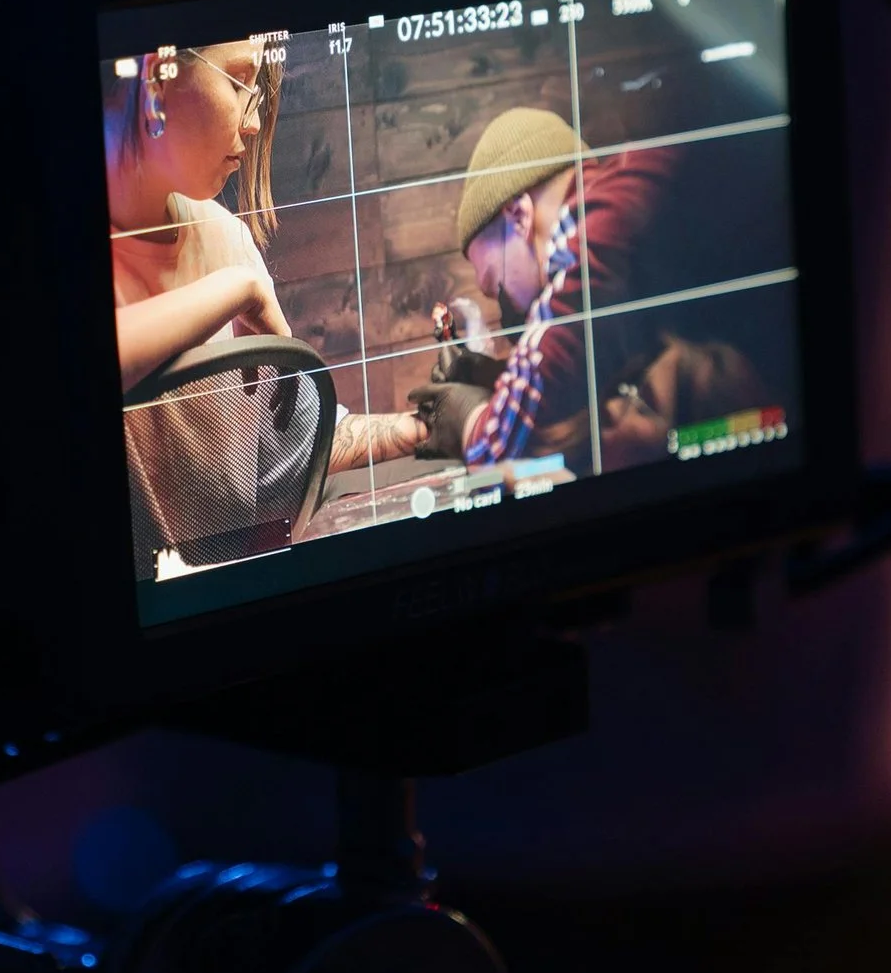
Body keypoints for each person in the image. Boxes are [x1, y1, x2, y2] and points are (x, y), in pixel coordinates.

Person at [105, 39, 426, 573]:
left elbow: (301, 443)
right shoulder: (237, 280)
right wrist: (239, 289)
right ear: (157, 75)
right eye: (238, 82)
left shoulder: (226, 242)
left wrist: (430, 427)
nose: (253, 122)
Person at [404, 107, 782, 474]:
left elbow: (499, 445)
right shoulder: (616, 228)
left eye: (496, 284)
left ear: (518, 216)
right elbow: (572, 380)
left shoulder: (597, 225)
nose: (506, 306)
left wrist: (465, 415)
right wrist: (491, 377)